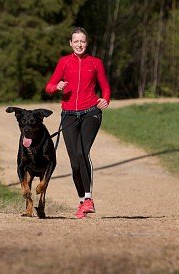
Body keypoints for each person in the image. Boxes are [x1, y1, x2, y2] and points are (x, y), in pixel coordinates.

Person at [45, 27, 111, 219]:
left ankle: (89, 198)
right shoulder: (64, 62)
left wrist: (105, 100)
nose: (79, 44)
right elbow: (49, 86)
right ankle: (83, 201)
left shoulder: (95, 63)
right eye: (76, 41)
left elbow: (105, 87)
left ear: (87, 43)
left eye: (82, 41)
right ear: (71, 43)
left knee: (83, 152)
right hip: (69, 115)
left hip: (91, 112)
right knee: (75, 163)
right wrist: (56, 87)